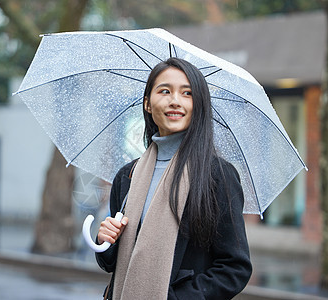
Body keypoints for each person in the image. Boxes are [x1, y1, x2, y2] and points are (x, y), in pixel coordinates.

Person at [96, 57, 252, 300]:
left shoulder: (217, 175)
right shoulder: (128, 176)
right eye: (165, 91)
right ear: (148, 104)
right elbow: (113, 263)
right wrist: (105, 241)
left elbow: (234, 268)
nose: (175, 101)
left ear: (198, 105)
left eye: (187, 93)